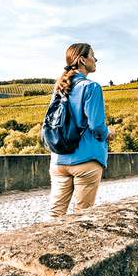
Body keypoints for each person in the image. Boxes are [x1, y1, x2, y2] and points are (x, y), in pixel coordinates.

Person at [46, 43, 110, 218]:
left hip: (59, 160)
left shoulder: (59, 87)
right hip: (86, 159)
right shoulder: (91, 87)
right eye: (93, 55)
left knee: (55, 213)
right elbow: (96, 126)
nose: (95, 60)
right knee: (82, 215)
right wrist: (108, 133)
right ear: (82, 59)